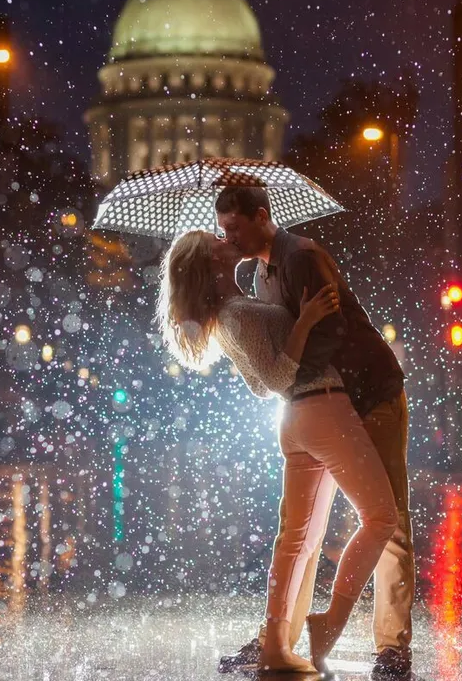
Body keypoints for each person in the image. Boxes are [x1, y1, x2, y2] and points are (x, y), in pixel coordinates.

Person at [157, 230, 398, 673]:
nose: (224, 236)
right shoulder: (236, 314)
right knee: (382, 517)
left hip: (298, 420)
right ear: (211, 262)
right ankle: (328, 622)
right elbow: (273, 379)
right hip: (321, 407)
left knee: (296, 541)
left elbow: (257, 381)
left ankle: (275, 646)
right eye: (215, 238)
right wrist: (304, 322)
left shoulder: (232, 310)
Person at [215, 186, 414, 680]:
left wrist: (293, 378)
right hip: (323, 405)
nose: (229, 237)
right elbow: (285, 342)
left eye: (235, 228)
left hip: (370, 393)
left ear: (262, 217)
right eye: (223, 231)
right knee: (302, 529)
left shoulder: (302, 256)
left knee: (387, 518)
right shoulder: (257, 275)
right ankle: (278, 637)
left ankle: (392, 646)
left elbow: (331, 332)